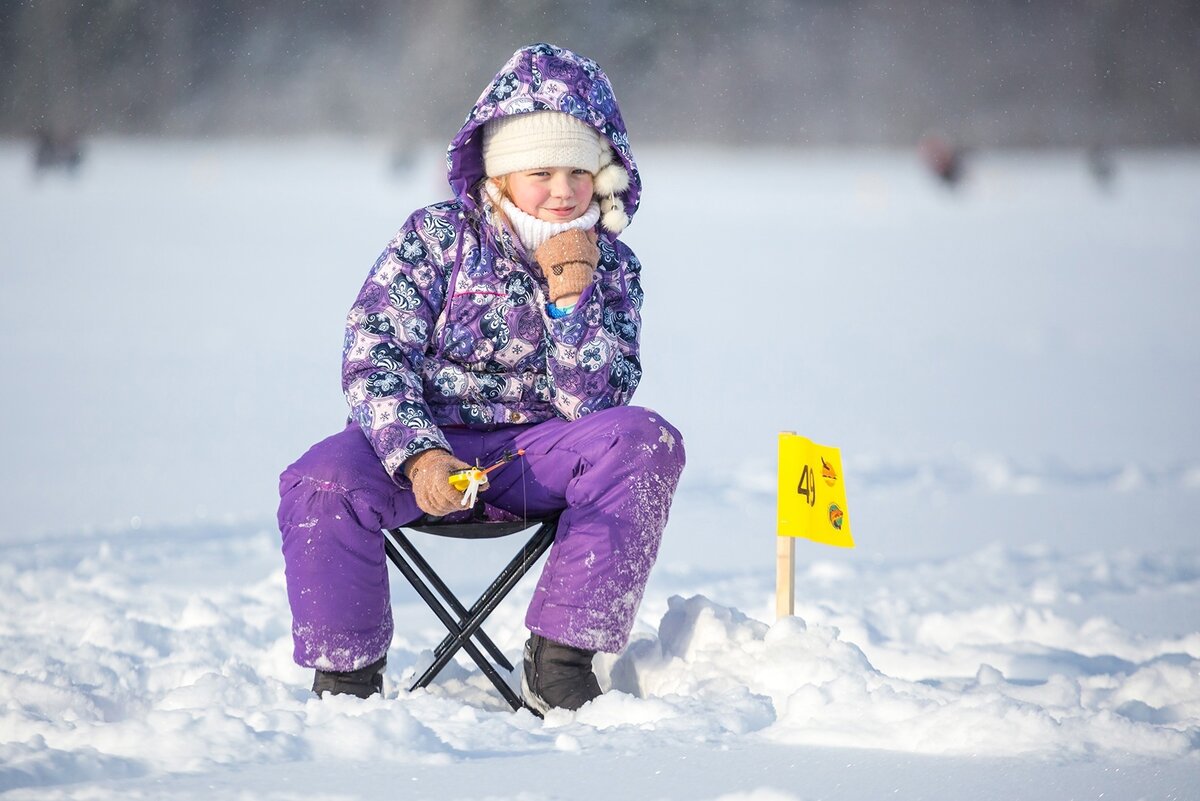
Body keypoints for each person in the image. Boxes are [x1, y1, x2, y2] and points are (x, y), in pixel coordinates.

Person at [277, 43, 685, 714]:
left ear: (603, 177)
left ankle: (561, 657)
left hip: (537, 455)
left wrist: (571, 296)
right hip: (424, 449)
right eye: (540, 171)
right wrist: (418, 453)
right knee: (320, 479)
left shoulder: (614, 266)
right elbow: (373, 353)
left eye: (578, 171)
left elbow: (595, 404)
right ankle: (347, 678)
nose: (562, 189)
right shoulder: (436, 237)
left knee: (646, 441)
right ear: (498, 176)